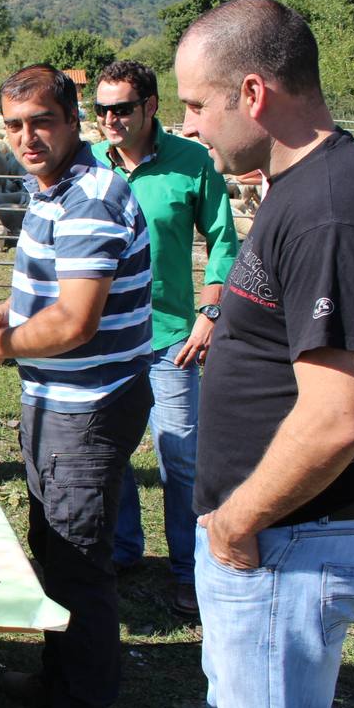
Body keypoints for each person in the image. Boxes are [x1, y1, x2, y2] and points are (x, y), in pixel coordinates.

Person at [175, 0, 354, 708]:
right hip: (277, 537)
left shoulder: (332, 211)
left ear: (251, 94)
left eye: (196, 105)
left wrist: (240, 523)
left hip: (291, 539)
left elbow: (336, 414)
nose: (189, 125)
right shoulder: (298, 186)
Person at [0, 64, 152, 708]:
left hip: (87, 405)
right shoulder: (54, 191)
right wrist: (10, 312)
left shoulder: (92, 198)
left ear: (73, 119)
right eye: (13, 126)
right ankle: (57, 680)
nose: (25, 138)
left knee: (78, 567)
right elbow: (52, 287)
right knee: (54, 545)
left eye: (40, 122)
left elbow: (76, 320)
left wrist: (0, 346)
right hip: (57, 400)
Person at [91, 60, 241, 617]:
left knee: (178, 456)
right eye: (101, 108)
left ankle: (188, 569)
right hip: (103, 337)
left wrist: (210, 311)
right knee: (110, 450)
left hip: (170, 337)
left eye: (121, 108)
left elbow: (225, 239)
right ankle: (126, 550)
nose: (110, 118)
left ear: (151, 106)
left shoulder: (192, 162)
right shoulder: (91, 165)